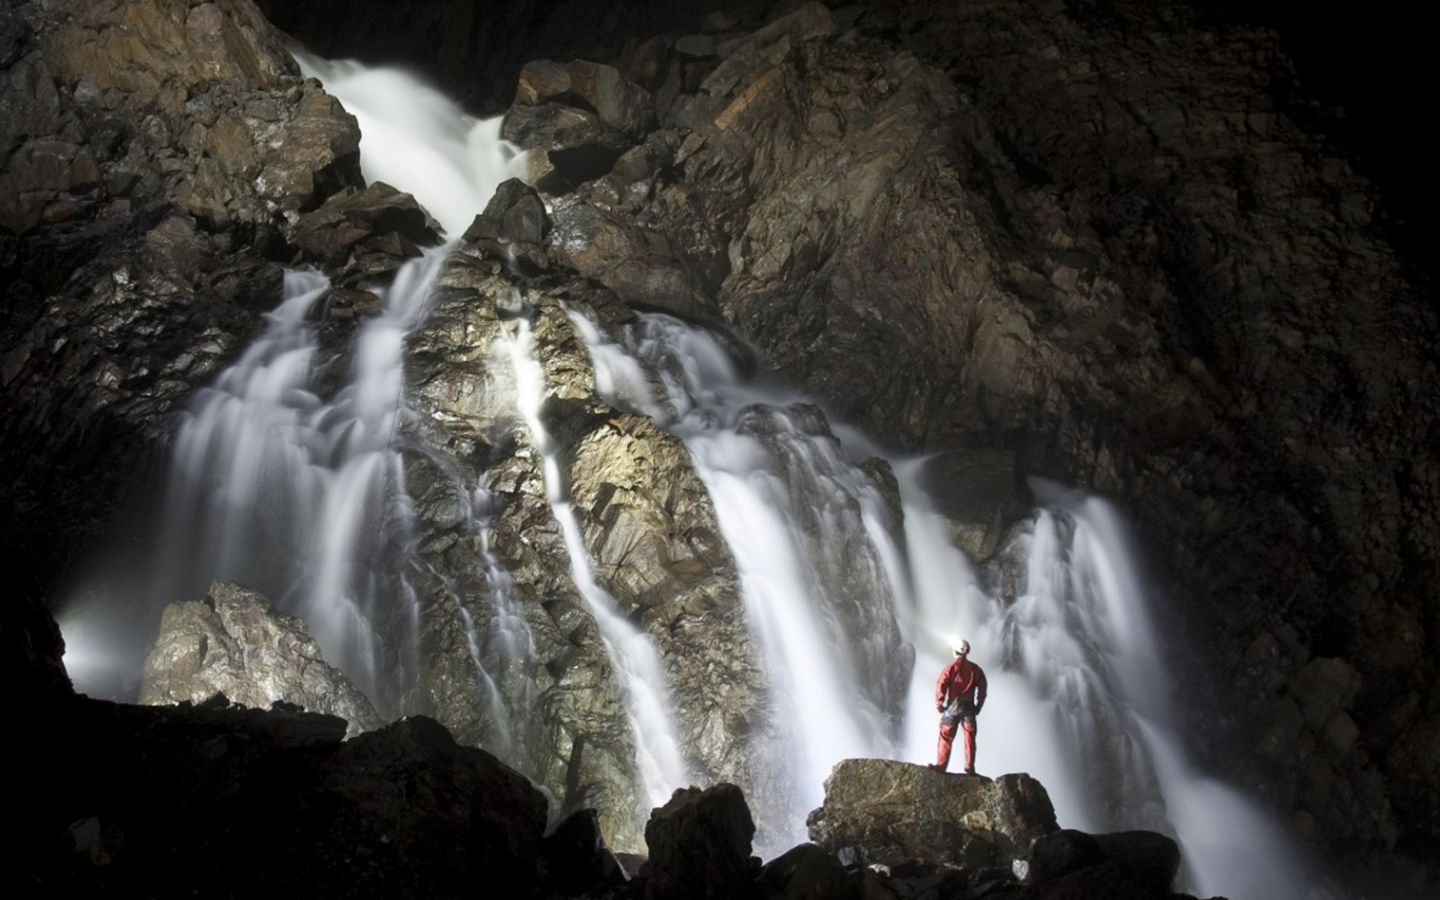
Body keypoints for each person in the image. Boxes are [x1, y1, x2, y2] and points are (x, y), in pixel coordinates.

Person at [931, 639, 987, 774]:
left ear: (955, 651)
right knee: (969, 738)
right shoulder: (976, 669)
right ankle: (970, 769)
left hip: (953, 706)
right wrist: (978, 705)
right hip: (969, 707)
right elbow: (982, 688)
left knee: (945, 735)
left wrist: (939, 703)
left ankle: (941, 766)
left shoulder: (950, 668)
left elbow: (941, 685)